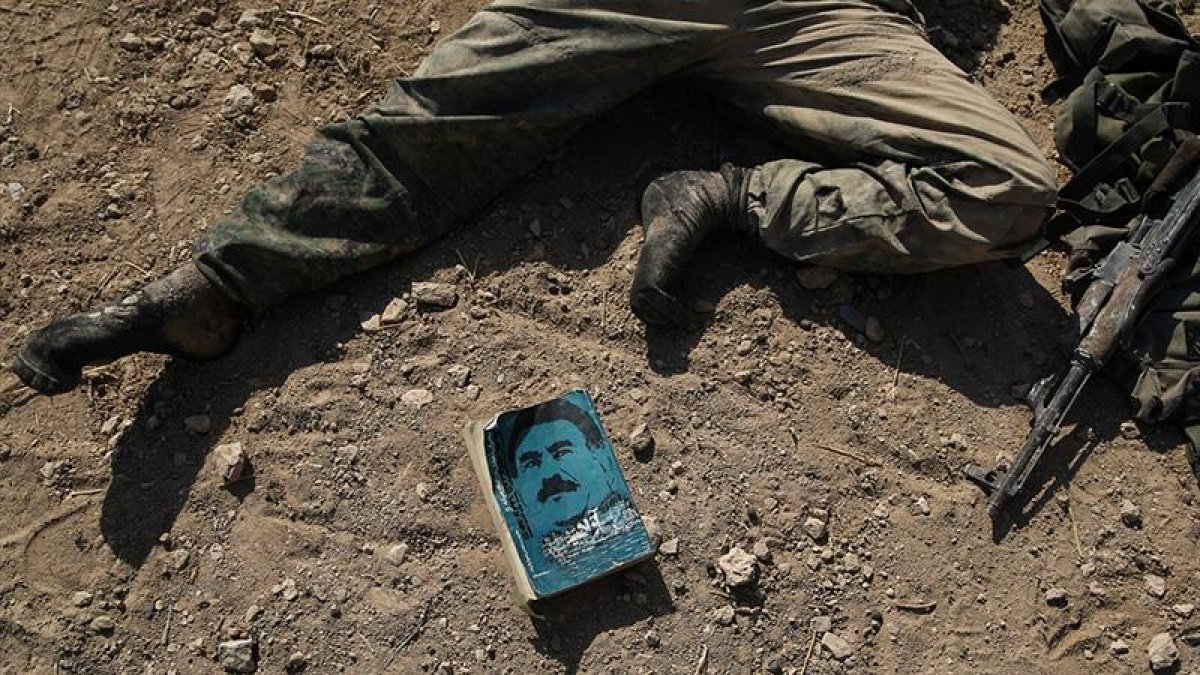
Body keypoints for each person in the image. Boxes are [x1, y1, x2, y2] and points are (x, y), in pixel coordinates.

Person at [11, 0, 1057, 395]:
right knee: (435, 123)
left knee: (1008, 190)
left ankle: (729, 195)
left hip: (825, 12)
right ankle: (219, 287)